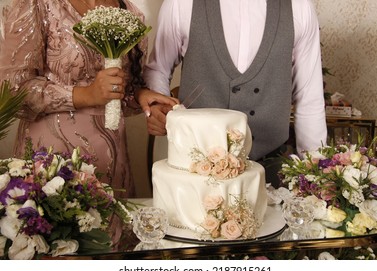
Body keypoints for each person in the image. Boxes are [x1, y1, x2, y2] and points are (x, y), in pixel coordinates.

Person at [0, 0, 177, 198]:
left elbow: (121, 92)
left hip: (113, 165)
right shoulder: (37, 3)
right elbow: (12, 90)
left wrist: (140, 95)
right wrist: (85, 94)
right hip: (52, 164)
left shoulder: (129, 12)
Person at [140, 0, 328, 187]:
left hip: (270, 172)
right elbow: (158, 70)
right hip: (196, 173)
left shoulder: (299, 7)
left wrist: (316, 174)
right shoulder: (181, 4)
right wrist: (160, 107)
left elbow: (309, 97)